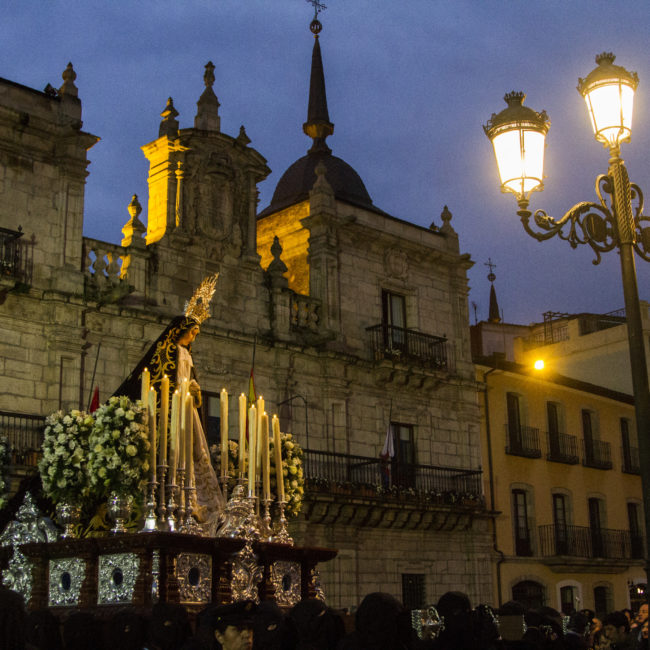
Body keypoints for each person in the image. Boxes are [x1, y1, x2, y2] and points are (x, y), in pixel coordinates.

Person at [114, 274, 224, 532]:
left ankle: (197, 502)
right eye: (191, 332)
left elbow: (191, 379)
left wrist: (195, 391)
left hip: (188, 408)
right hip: (174, 406)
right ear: (181, 331)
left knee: (194, 451)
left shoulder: (187, 353)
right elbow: (164, 376)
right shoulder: (170, 350)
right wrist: (179, 392)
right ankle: (175, 497)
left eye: (196, 333)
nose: (193, 338)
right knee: (175, 449)